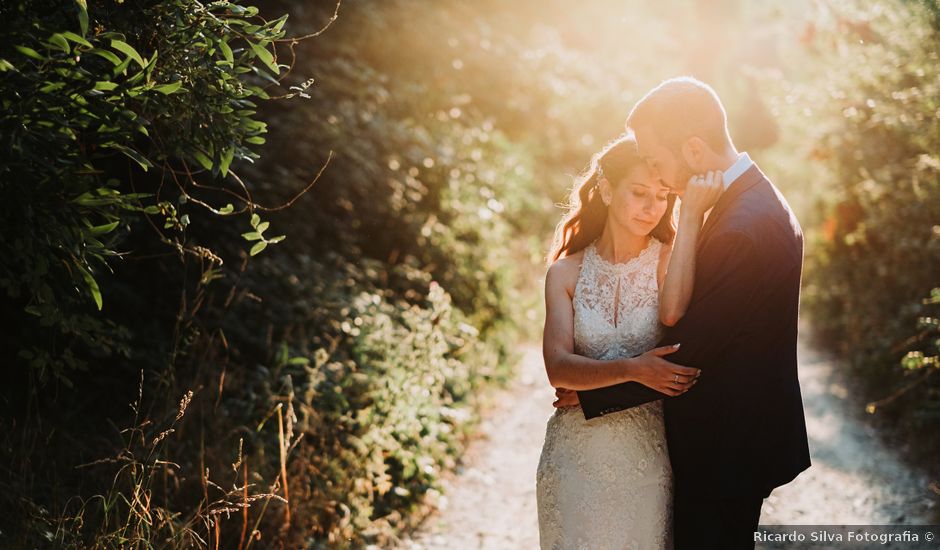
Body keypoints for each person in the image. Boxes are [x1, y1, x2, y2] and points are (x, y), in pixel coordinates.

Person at [555, 76, 812, 549]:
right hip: (730, 440)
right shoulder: (747, 200)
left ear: (693, 150)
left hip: (726, 446)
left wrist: (593, 395)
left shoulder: (743, 225)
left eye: (656, 160)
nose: (657, 175)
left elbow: (691, 350)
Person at [536, 131, 721, 549]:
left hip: (646, 461)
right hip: (572, 459)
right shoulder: (565, 274)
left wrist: (689, 216)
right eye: (639, 192)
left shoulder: (671, 259)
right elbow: (557, 368)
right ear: (605, 189)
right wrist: (636, 369)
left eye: (662, 197)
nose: (651, 207)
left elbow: (676, 323)